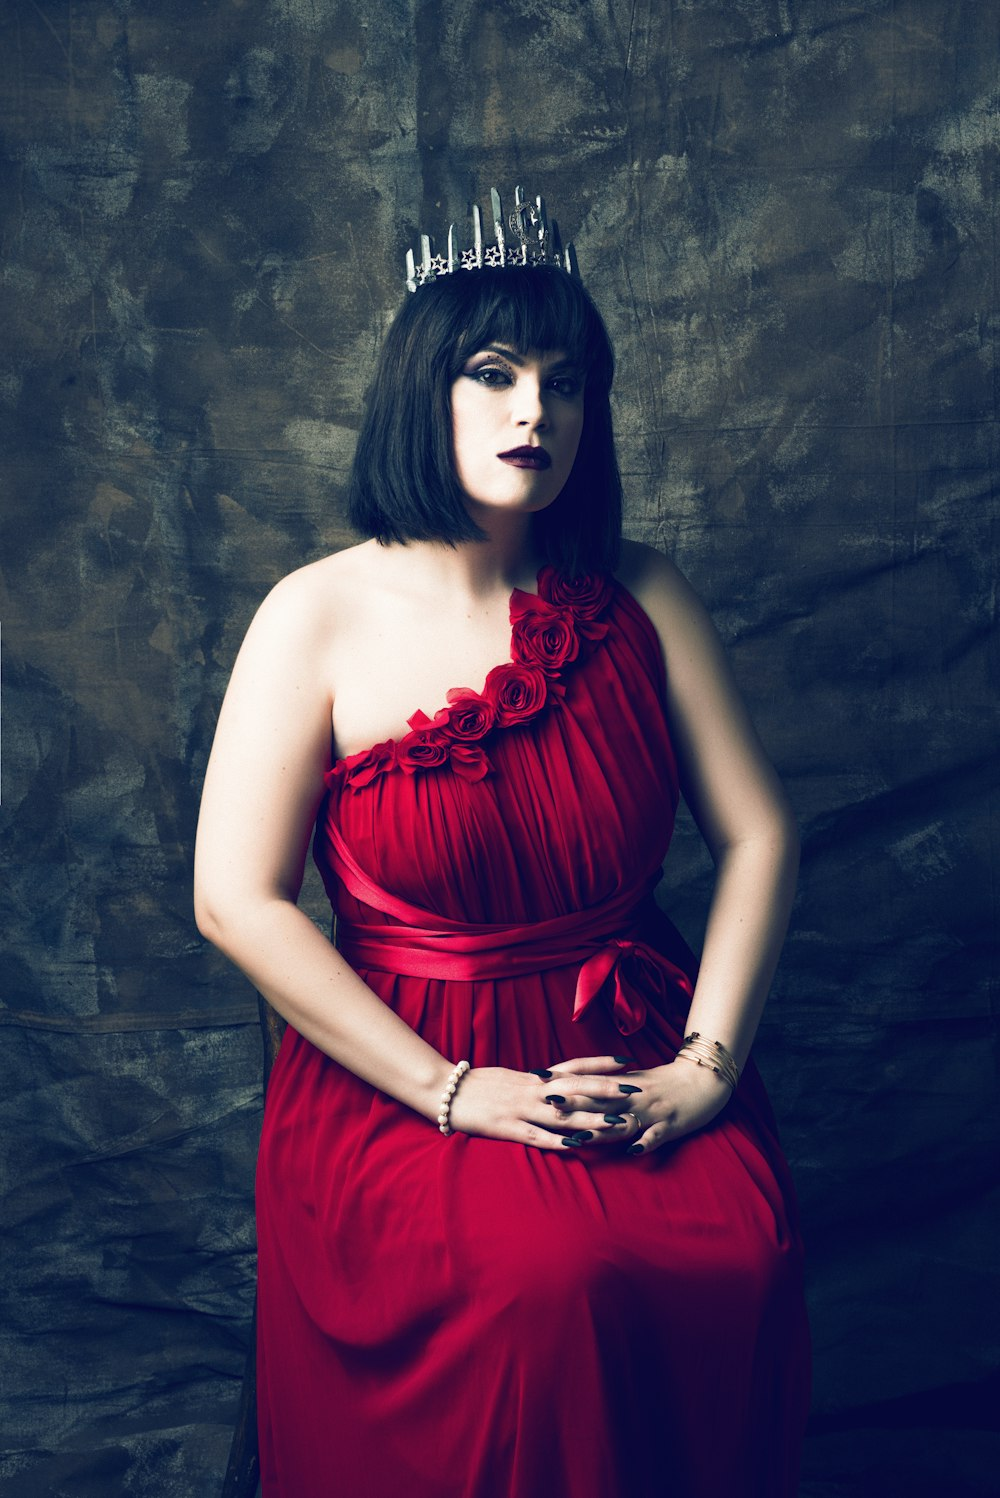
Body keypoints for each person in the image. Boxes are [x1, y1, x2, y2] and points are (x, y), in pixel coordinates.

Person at [194, 189, 811, 1498]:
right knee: (550, 1283)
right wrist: (450, 1087)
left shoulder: (641, 592)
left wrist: (704, 1069)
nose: (537, 411)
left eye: (565, 382)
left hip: (627, 1031)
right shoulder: (314, 614)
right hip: (400, 1060)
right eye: (495, 374)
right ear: (422, 388)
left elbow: (760, 832)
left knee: (739, 1247)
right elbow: (236, 900)